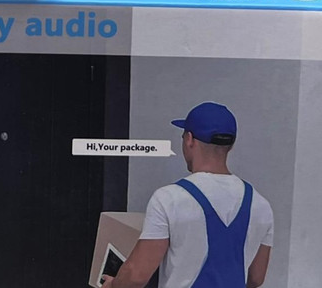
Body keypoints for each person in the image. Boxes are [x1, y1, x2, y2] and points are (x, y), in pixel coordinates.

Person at [102, 102, 273, 288]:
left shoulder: (170, 199)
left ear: (189, 139)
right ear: (230, 146)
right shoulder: (261, 205)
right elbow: (256, 278)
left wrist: (113, 285)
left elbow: (136, 276)